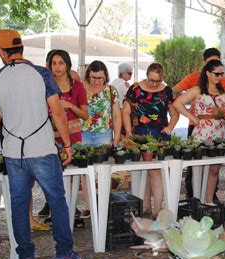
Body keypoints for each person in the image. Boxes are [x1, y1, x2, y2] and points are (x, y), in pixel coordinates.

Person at [0, 29, 79, 259]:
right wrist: (68, 145)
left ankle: (26, 258)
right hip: (43, 148)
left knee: (19, 205)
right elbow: (57, 113)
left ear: (3, 53)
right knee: (56, 201)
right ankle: (64, 254)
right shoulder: (42, 74)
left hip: (13, 153)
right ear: (20, 48)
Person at [173, 59, 225, 205]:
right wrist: (193, 118)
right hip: (201, 133)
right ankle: (197, 201)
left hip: (219, 133)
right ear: (208, 73)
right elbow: (177, 103)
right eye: (217, 74)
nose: (220, 77)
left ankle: (209, 200)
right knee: (198, 169)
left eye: (222, 74)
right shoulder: (197, 90)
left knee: (214, 169)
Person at [34, 49, 89, 228]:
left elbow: (86, 115)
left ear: (67, 65)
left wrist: (70, 106)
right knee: (52, 176)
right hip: (49, 138)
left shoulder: (77, 86)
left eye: (61, 63)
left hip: (73, 137)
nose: (57, 67)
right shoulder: (44, 85)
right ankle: (59, 213)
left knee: (72, 177)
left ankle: (72, 211)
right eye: (53, 63)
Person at [122, 63, 178, 215]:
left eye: (157, 81)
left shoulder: (167, 91)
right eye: (151, 80)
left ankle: (158, 209)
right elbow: (125, 111)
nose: (153, 84)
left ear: (162, 78)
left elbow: (174, 114)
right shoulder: (135, 89)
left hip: (160, 135)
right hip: (141, 134)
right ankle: (146, 205)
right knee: (146, 171)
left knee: (155, 171)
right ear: (146, 76)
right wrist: (128, 133)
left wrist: (169, 128)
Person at [80, 60, 122, 218]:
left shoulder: (111, 90)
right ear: (88, 76)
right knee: (86, 171)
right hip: (83, 134)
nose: (96, 81)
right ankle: (89, 205)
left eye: (100, 78)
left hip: (104, 134)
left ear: (106, 77)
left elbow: (117, 115)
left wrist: (116, 137)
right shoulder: (80, 89)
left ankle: (103, 203)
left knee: (103, 171)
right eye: (93, 78)